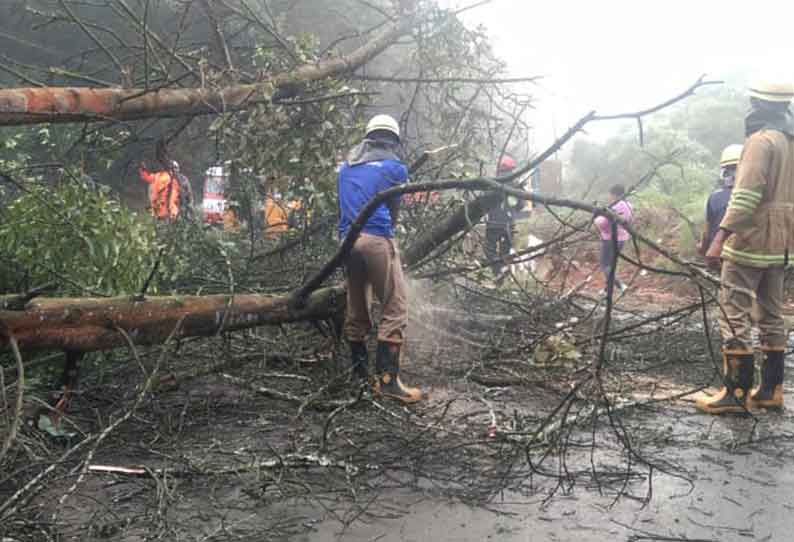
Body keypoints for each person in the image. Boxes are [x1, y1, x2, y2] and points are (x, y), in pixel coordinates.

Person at [699, 80, 794, 414]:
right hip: (782, 246)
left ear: (758, 104)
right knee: (771, 314)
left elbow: (746, 195)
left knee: (733, 310)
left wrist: (719, 238)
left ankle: (735, 394)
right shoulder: (790, 142)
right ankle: (770, 392)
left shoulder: (760, 141)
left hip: (750, 241)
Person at [338, 113, 422, 403]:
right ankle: (387, 382)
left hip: (347, 243)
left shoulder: (345, 167)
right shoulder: (395, 168)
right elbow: (393, 208)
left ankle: (360, 377)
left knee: (357, 304)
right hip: (376, 239)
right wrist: (390, 234)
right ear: (392, 141)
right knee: (395, 306)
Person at [698, 144, 742, 264]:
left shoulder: (714, 197)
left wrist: (703, 248)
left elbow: (706, 232)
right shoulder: (759, 196)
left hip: (722, 257)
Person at [593, 184, 633, 294]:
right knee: (611, 265)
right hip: (622, 239)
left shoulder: (615, 206)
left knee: (605, 264)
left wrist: (596, 217)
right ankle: (607, 289)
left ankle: (621, 285)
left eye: (610, 195)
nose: (609, 197)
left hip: (610, 239)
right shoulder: (629, 205)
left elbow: (602, 223)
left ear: (614, 194)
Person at [485, 155, 518, 277]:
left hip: (494, 223)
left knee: (490, 250)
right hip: (509, 224)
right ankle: (502, 270)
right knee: (505, 251)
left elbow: (484, 202)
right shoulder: (516, 184)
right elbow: (521, 204)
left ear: (499, 168)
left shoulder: (493, 182)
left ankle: (498, 272)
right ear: (511, 169)